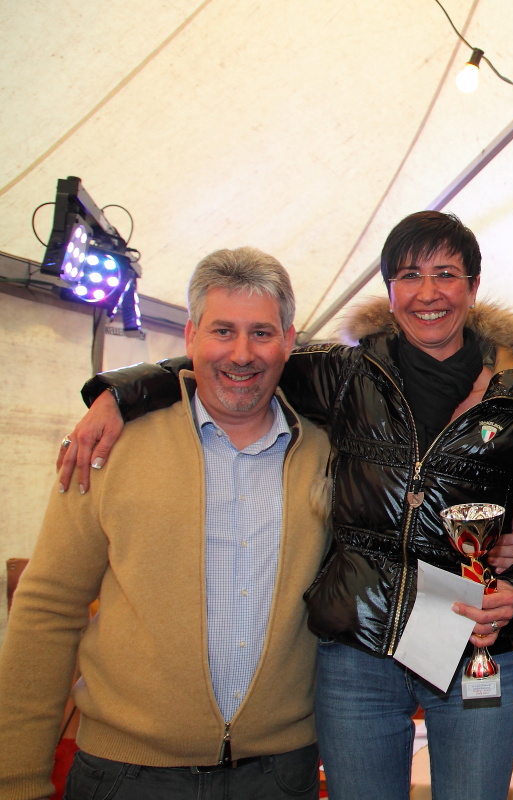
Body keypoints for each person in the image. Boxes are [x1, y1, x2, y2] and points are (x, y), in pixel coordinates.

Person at [56, 211, 513, 800]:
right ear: (389, 289)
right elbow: (236, 362)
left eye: (446, 274)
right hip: (358, 654)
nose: (428, 293)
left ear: (473, 288)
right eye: (409, 275)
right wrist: (118, 394)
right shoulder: (345, 373)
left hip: (473, 649)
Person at [0, 248, 331, 800]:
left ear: (290, 340)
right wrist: (16, 777)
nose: (242, 353)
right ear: (191, 336)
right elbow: (48, 608)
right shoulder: (110, 446)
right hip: (126, 775)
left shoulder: (328, 453)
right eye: (222, 330)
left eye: (262, 333)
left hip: (279, 775)